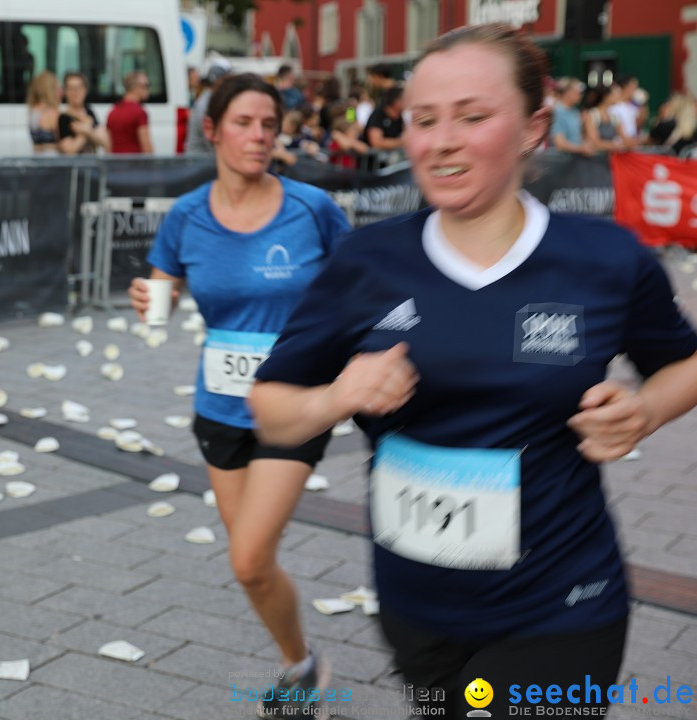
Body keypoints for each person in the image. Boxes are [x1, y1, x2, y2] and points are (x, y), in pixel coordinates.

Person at [249, 23, 697, 718]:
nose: (442, 141)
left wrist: (643, 411)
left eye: (473, 116)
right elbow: (271, 406)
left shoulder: (605, 259)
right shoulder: (365, 263)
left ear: (532, 128)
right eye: (424, 120)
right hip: (414, 608)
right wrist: (336, 396)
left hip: (562, 603)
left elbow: (686, 366)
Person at [129, 73, 351, 718]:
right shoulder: (186, 216)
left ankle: (301, 672)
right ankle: (301, 662)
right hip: (220, 407)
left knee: (249, 557)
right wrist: (149, 299)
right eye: (245, 123)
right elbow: (160, 296)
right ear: (213, 130)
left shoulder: (312, 209)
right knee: (252, 565)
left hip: (296, 407)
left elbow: (362, 285)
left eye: (269, 125)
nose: (259, 137)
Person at [185, 60, 232, 154]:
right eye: (227, 79)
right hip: (199, 163)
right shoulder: (206, 104)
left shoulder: (211, 99)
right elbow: (212, 143)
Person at [57, 72, 108, 155]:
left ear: (85, 90)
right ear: (65, 91)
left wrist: (86, 130)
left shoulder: (89, 112)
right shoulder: (63, 118)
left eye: (79, 87)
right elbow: (69, 151)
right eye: (71, 88)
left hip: (91, 164)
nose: (76, 92)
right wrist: (85, 132)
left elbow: (105, 142)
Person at [107, 71, 153, 154]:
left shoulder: (113, 111)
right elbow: (147, 148)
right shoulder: (139, 112)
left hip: (115, 163)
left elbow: (108, 144)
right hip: (135, 164)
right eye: (146, 86)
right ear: (136, 87)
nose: (148, 90)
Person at [550, 76, 593, 155]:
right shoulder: (557, 112)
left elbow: (578, 137)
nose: (581, 95)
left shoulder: (575, 111)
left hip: (572, 161)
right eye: (578, 92)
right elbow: (560, 144)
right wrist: (582, 149)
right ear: (568, 93)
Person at [26, 70, 61, 155]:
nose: (60, 91)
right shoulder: (52, 113)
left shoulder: (33, 111)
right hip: (52, 159)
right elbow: (62, 142)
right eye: (57, 87)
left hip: (37, 157)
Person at [582, 86, 623, 153]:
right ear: (606, 96)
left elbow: (624, 137)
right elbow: (595, 142)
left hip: (608, 158)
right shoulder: (591, 115)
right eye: (616, 94)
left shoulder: (614, 117)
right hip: (594, 159)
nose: (619, 96)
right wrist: (619, 146)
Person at [363, 85, 404, 150]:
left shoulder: (401, 117)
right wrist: (401, 142)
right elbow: (376, 142)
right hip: (375, 158)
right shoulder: (378, 115)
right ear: (396, 101)